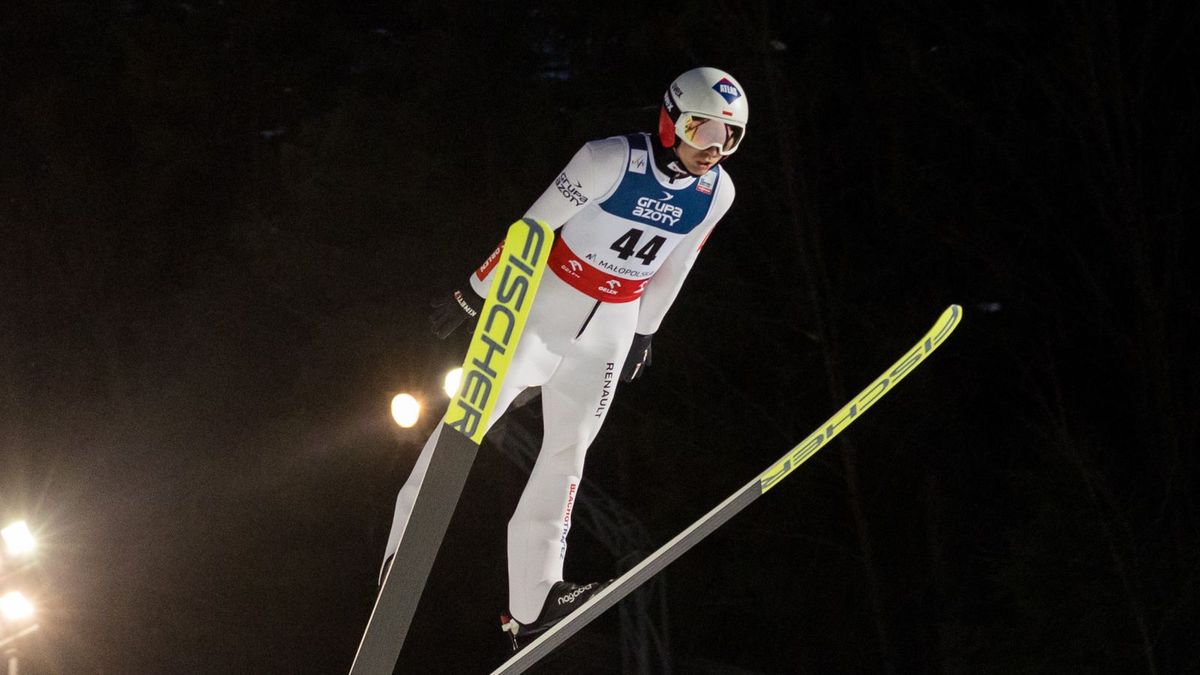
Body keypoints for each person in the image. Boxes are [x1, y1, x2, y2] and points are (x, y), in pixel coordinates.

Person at [383, 66, 748, 648]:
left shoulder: (717, 193)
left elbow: (677, 265)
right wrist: (474, 292)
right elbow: (532, 228)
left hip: (612, 322)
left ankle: (533, 602)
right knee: (466, 422)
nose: (714, 149)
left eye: (730, 138)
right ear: (671, 120)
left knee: (568, 453)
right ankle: (403, 550)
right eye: (704, 131)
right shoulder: (607, 160)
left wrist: (645, 333)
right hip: (546, 306)